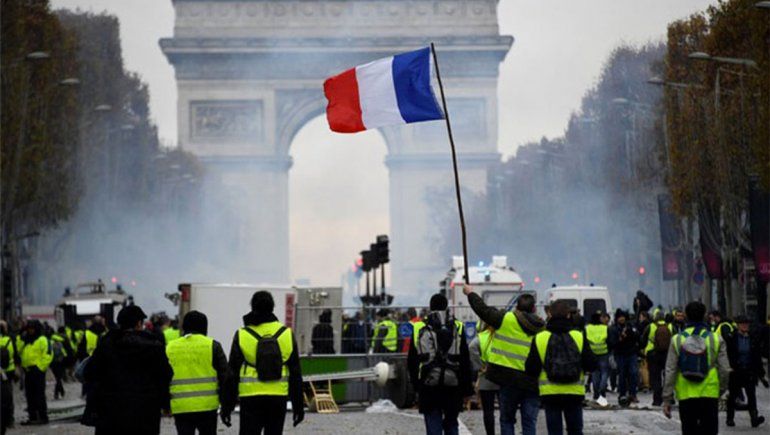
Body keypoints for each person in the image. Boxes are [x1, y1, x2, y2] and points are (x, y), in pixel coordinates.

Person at [463, 284, 544, 435]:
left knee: (507, 420)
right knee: (529, 422)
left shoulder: (505, 319)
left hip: (508, 380)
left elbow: (483, 310)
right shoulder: (541, 327)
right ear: (534, 309)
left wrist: (470, 293)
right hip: (532, 382)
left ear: (517, 308)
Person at [222, 290, 304, 434]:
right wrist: (298, 406)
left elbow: (232, 374)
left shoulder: (242, 334)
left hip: (250, 397)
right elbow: (296, 373)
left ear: (253, 307)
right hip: (278, 396)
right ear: (272, 307)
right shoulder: (286, 333)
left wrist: (227, 407)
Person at [84, 305, 173, 435]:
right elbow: (165, 376)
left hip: (111, 412)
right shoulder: (153, 345)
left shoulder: (106, 344)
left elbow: (89, 373)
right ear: (139, 323)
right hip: (145, 413)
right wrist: (166, 405)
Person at [525, 300, 597, 435]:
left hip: (550, 393)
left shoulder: (540, 338)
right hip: (574, 392)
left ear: (549, 314)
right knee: (575, 430)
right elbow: (591, 364)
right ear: (569, 315)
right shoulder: (579, 336)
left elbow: (531, 369)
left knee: (554, 431)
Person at [408, 293, 472, 435]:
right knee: (451, 424)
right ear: (446, 307)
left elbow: (412, 361)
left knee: (433, 424)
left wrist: (416, 386)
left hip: (428, 383)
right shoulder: (458, 326)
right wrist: (467, 389)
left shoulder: (418, 327)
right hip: (453, 384)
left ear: (430, 308)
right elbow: (465, 360)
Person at [662, 301, 730, 435]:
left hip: (686, 395)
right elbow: (725, 369)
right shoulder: (716, 339)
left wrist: (667, 399)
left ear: (686, 316)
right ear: (705, 315)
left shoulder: (677, 339)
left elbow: (670, 370)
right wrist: (721, 390)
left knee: (689, 431)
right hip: (710, 393)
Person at [167, 310, 230, 435]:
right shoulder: (213, 346)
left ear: (184, 327)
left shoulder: (170, 347)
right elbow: (226, 378)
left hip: (181, 407)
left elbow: (162, 377)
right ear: (205, 327)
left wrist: (165, 404)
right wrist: (226, 407)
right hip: (207, 408)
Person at [725, 315, 766, 428]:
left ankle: (754, 418)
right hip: (736, 370)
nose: (745, 326)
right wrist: (728, 367)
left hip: (749, 370)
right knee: (733, 395)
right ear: (738, 325)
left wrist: (761, 372)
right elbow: (727, 353)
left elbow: (757, 355)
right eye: (743, 324)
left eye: (747, 324)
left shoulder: (753, 338)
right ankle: (730, 418)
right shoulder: (731, 337)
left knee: (751, 395)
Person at [17, 320, 52, 425]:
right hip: (27, 371)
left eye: (32, 328)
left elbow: (48, 354)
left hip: (38, 372)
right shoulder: (25, 340)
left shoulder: (42, 339)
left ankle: (43, 416)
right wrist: (20, 334)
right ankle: (32, 417)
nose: (30, 330)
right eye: (29, 328)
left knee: (39, 395)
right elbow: (18, 349)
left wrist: (40, 368)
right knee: (29, 395)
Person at [469, 322, 500, 435]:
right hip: (502, 377)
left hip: (486, 377)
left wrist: (480, 366)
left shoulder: (481, 337)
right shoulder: (502, 335)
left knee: (488, 411)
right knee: (505, 411)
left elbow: (471, 347)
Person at [608, 309, 639, 406]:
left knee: (633, 373)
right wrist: (620, 338)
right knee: (622, 374)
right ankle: (622, 394)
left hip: (631, 353)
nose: (622, 319)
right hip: (620, 354)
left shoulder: (630, 326)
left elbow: (637, 337)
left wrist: (631, 333)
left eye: (623, 317)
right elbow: (612, 343)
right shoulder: (613, 329)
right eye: (620, 317)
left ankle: (633, 394)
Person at [641, 312, 672, 406]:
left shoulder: (650, 327)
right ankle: (669, 397)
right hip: (668, 353)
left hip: (652, 354)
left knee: (655, 377)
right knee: (668, 376)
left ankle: (657, 399)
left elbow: (643, 341)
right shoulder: (670, 326)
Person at [585, 311, 609, 404]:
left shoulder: (588, 328)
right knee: (604, 373)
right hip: (603, 352)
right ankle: (602, 390)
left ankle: (596, 393)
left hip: (593, 353)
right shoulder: (604, 328)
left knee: (595, 373)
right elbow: (609, 339)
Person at [1, 320, 17, 433]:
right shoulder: (9, 339)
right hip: (7, 372)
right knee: (7, 397)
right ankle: (9, 419)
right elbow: (13, 354)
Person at [50, 326, 74, 399]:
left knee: (57, 377)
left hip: (52, 361)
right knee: (59, 377)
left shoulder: (51, 339)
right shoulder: (65, 338)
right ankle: (59, 392)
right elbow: (69, 349)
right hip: (61, 360)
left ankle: (59, 392)